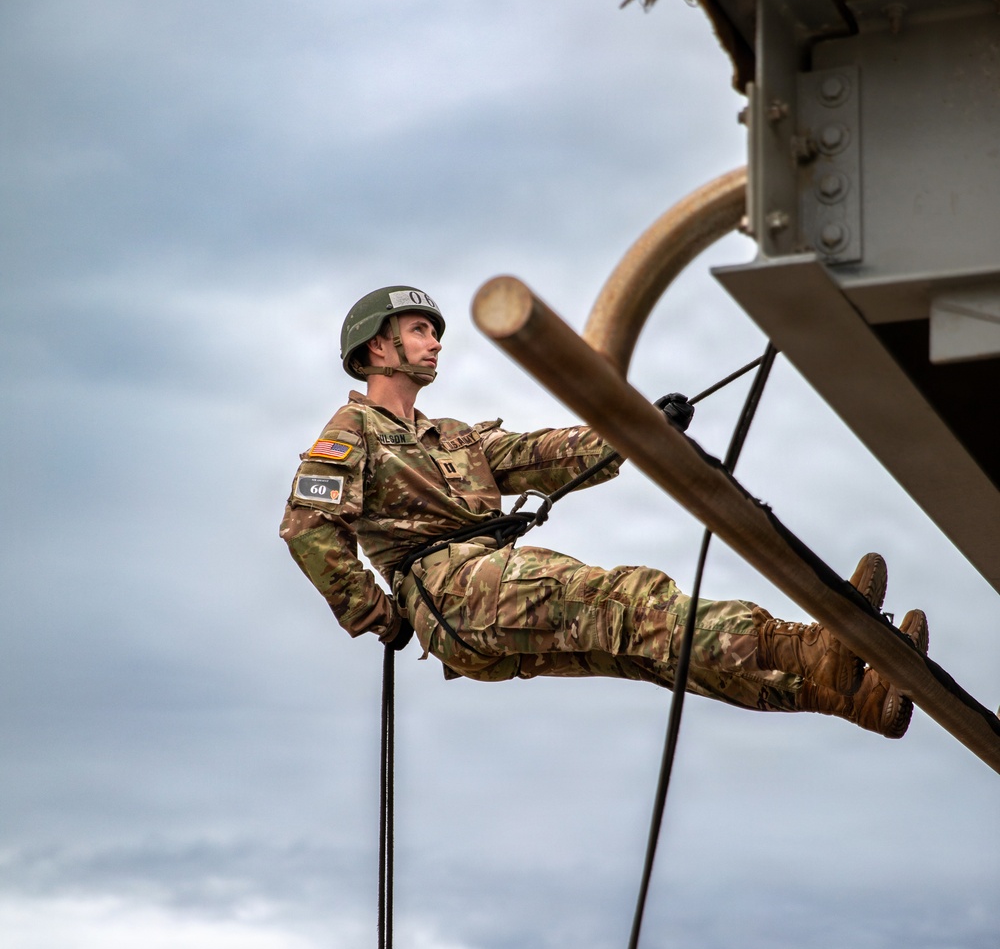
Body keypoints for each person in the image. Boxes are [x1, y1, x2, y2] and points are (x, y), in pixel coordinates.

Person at [280, 287, 928, 738]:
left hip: (481, 600)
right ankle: (811, 647)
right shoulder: (353, 431)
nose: (435, 344)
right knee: (630, 602)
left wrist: (639, 427)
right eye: (419, 330)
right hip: (454, 591)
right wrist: (375, 614)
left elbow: (545, 453)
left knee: (650, 652)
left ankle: (845, 693)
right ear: (377, 349)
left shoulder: (454, 437)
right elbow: (309, 525)